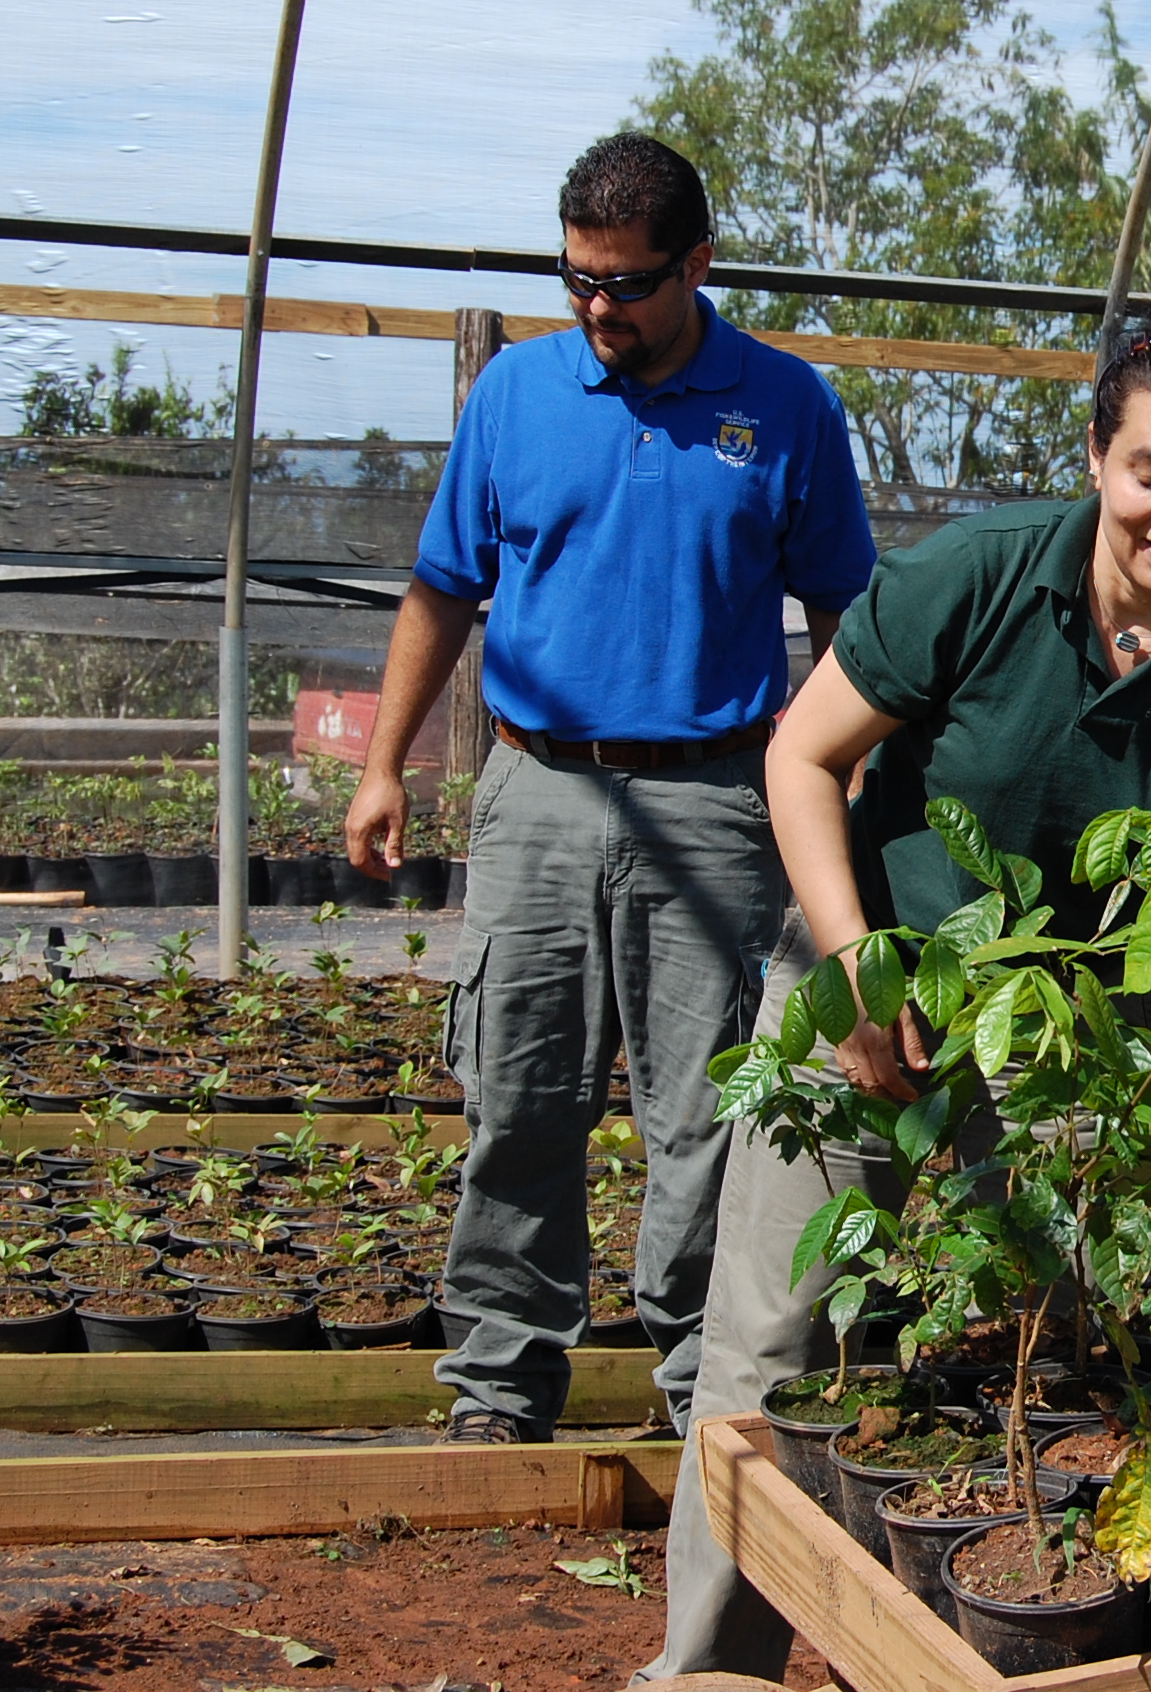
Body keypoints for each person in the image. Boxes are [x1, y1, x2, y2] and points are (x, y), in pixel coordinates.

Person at [639, 312, 1151, 1682]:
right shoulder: (978, 574)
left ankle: (998, 1648)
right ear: (1096, 457)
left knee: (1077, 1345)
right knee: (774, 1348)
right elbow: (801, 759)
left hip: (1069, 1045)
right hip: (871, 978)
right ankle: (710, 1667)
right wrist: (849, 972)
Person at [344, 132, 877, 1445]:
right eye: (575, 278)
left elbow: (850, 622)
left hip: (713, 801)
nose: (598, 310)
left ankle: (710, 1401)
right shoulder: (515, 395)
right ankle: (497, 1386)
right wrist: (384, 764)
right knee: (517, 1093)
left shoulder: (788, 408)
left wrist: (848, 798)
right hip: (534, 790)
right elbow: (442, 589)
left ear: (695, 264)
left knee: (708, 1117)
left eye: (627, 284)